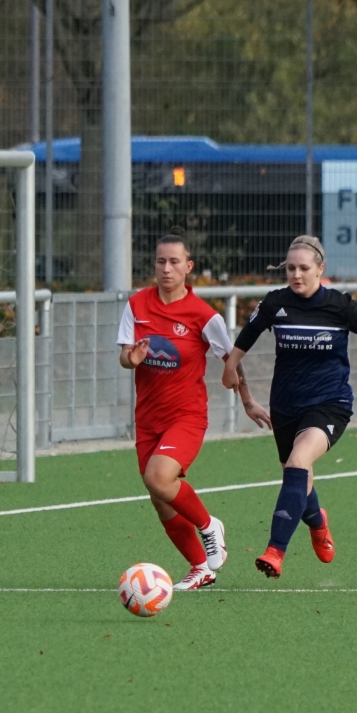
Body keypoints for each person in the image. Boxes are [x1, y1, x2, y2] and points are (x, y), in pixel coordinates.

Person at [221, 235, 357, 578]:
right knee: (299, 480)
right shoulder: (275, 304)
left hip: (330, 404)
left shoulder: (342, 307)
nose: (296, 274)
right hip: (285, 406)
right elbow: (245, 337)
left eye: (304, 268)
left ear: (320, 269)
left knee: (298, 462)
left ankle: (275, 551)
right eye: (290, 268)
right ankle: (318, 520)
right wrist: (232, 368)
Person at [116, 233, 232, 589]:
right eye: (160, 262)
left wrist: (248, 400)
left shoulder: (204, 316)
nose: (166, 268)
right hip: (148, 418)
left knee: (159, 478)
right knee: (159, 496)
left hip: (186, 416)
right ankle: (201, 567)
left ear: (188, 267)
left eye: (174, 262)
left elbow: (231, 360)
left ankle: (209, 525)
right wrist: (130, 360)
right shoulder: (137, 305)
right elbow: (124, 357)